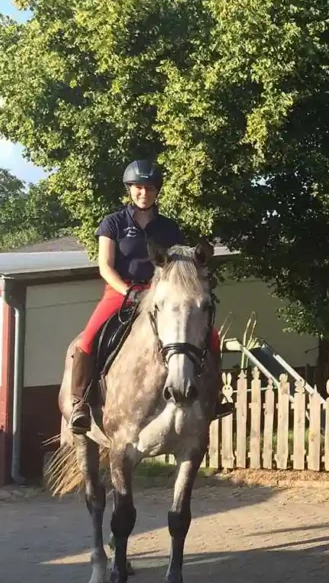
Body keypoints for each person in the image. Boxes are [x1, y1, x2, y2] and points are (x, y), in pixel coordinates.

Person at [68, 159, 220, 435]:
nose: (143, 193)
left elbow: (178, 266)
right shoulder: (112, 223)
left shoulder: (169, 228)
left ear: (157, 191)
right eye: (138, 187)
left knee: (212, 336)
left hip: (161, 292)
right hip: (121, 292)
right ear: (129, 189)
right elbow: (105, 266)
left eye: (149, 188)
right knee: (87, 339)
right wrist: (128, 291)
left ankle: (214, 397)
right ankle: (80, 402)